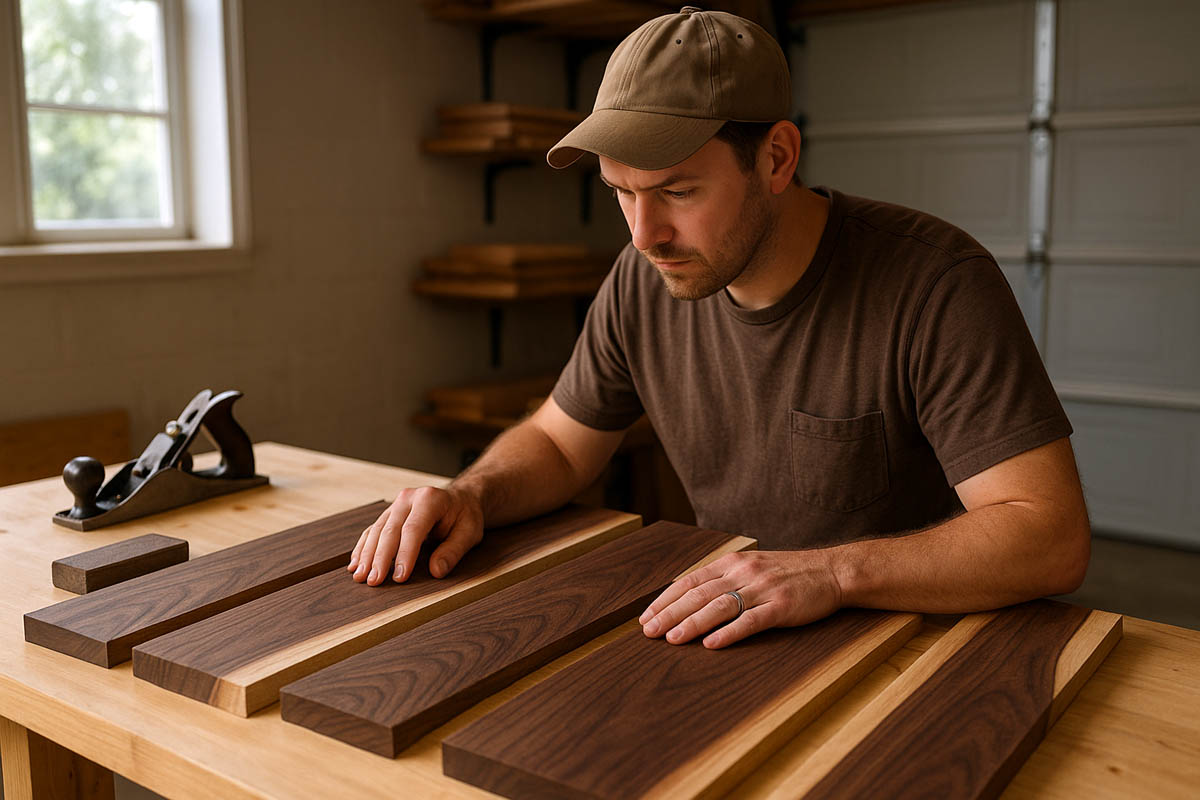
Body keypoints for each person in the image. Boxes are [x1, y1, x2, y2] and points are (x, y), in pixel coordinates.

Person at [348, 6, 1090, 649]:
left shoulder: (935, 282)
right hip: (744, 633)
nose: (644, 233)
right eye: (620, 194)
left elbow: (1048, 535)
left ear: (775, 158)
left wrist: (831, 570)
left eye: (676, 190)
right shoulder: (644, 277)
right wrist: (472, 495)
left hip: (922, 647)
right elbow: (556, 444)